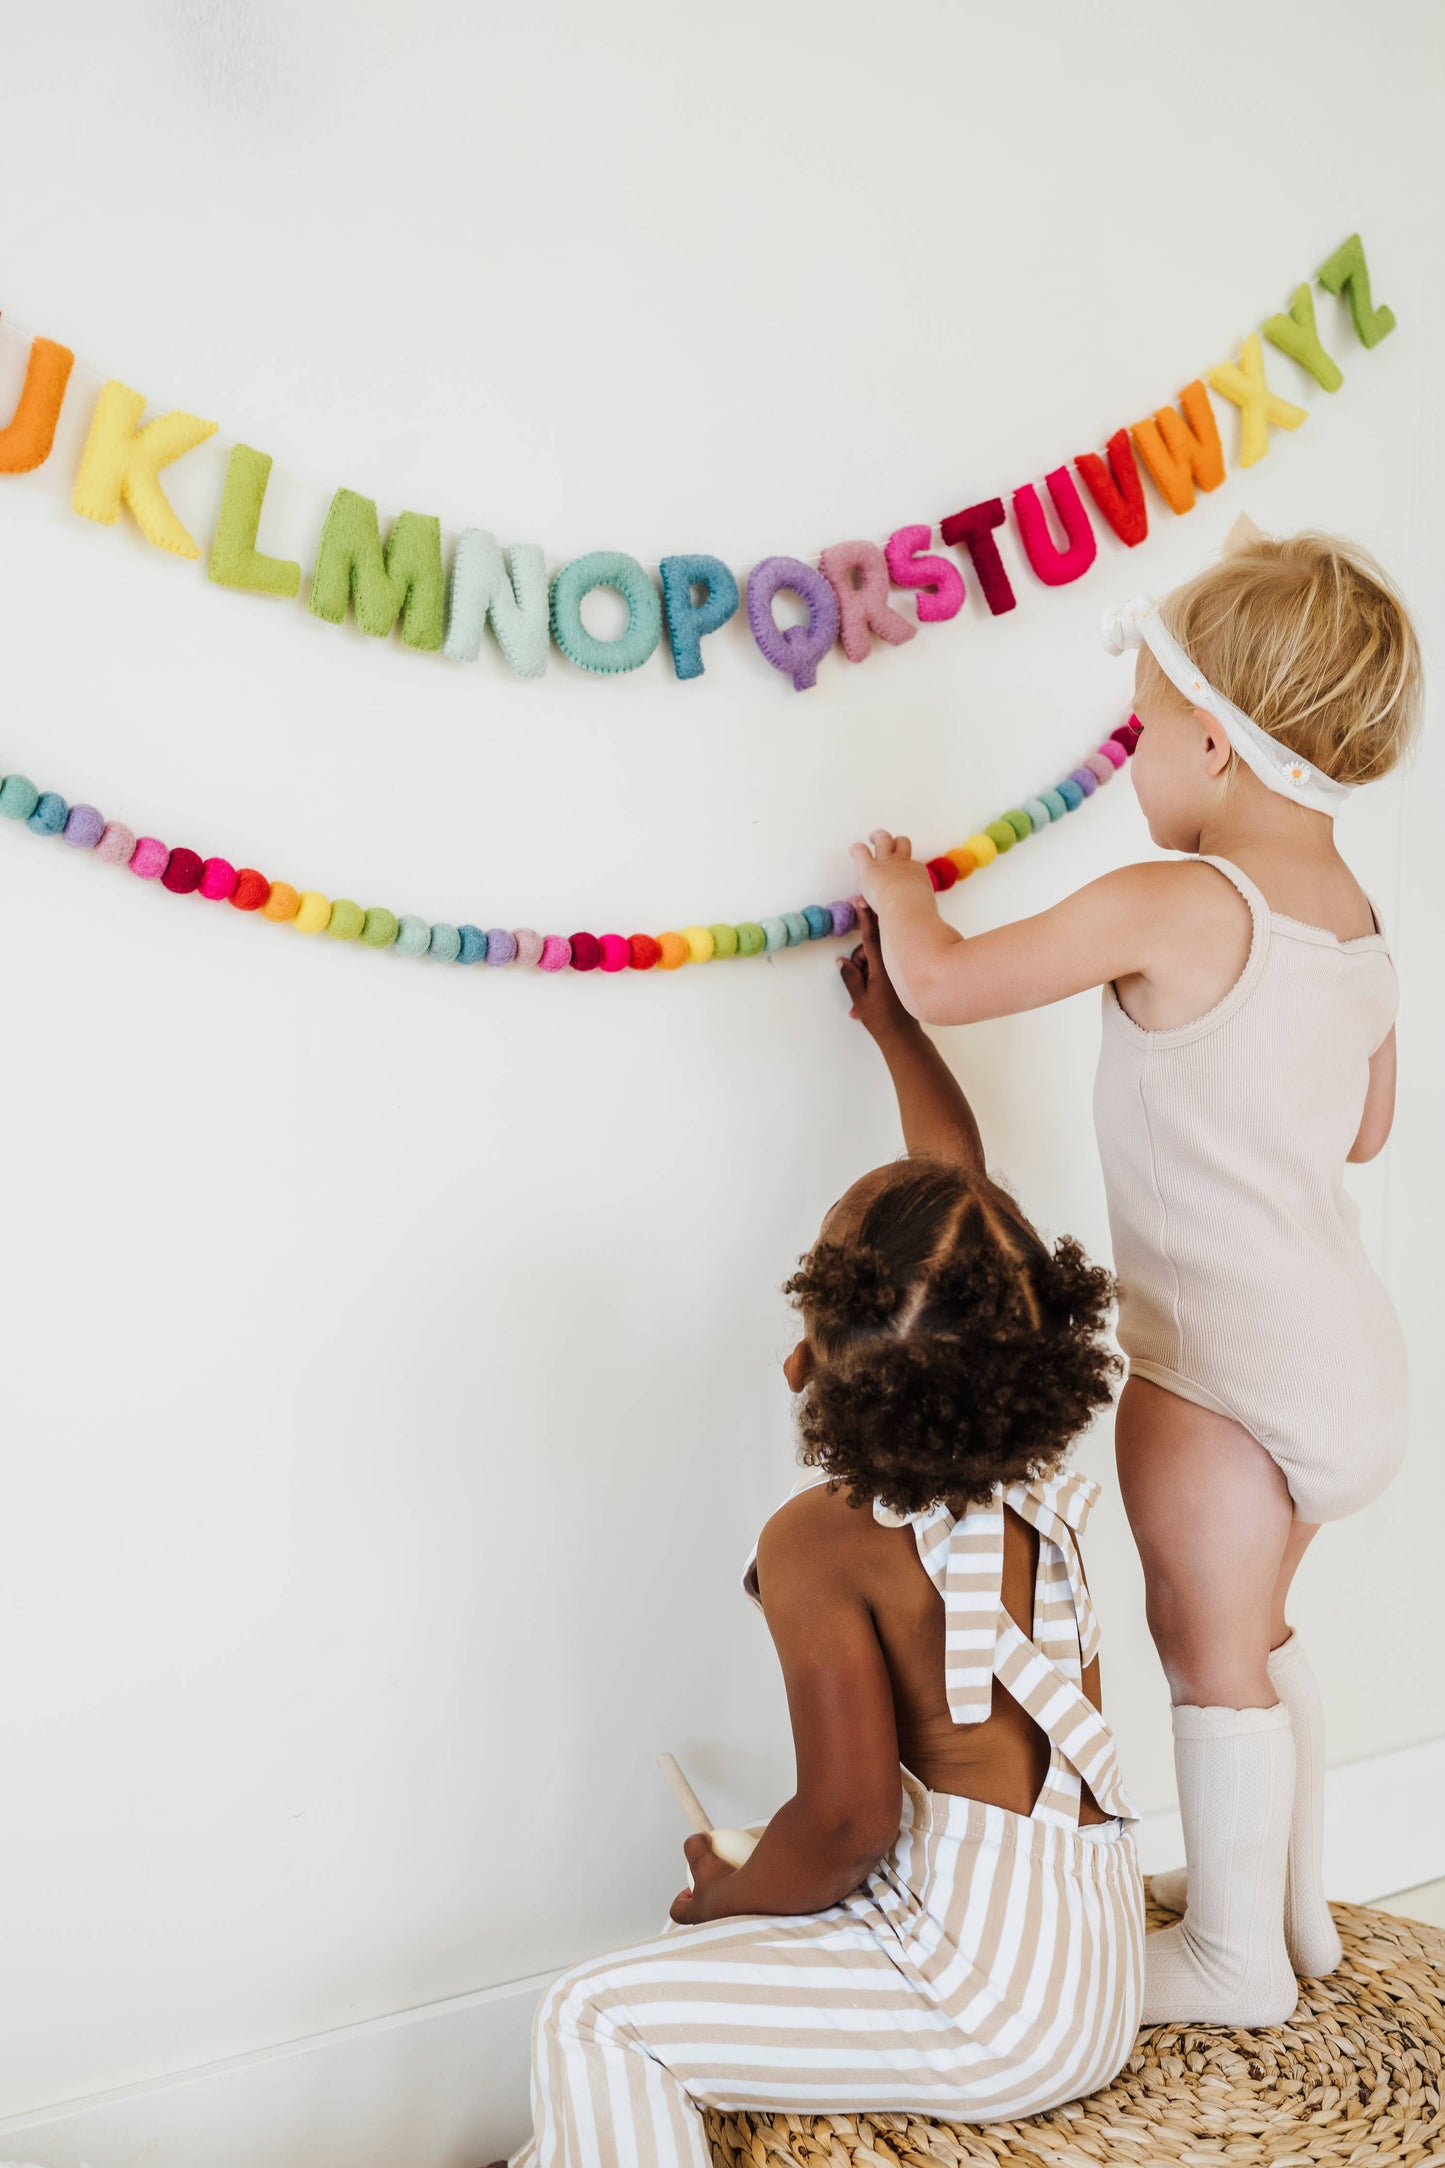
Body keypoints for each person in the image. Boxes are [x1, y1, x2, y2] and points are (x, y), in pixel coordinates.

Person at [851, 526, 1422, 2026]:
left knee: (1205, 1650)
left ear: (1222, 751)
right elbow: (1365, 1127)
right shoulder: (1356, 925)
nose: (1138, 765)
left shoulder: (1174, 903)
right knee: (1261, 1632)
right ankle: (1293, 1921)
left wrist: (898, 891)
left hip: (1217, 1372)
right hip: (1347, 1362)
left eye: (1150, 731)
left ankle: (1232, 1962)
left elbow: (946, 981)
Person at [503, 914, 1143, 2168]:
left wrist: (721, 1894)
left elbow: (846, 1825)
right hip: (1090, 1967)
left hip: (991, 2009)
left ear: (809, 1357)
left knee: (595, 2014)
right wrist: (892, 1028)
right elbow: (952, 1195)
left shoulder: (817, 1541)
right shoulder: (1031, 1462)